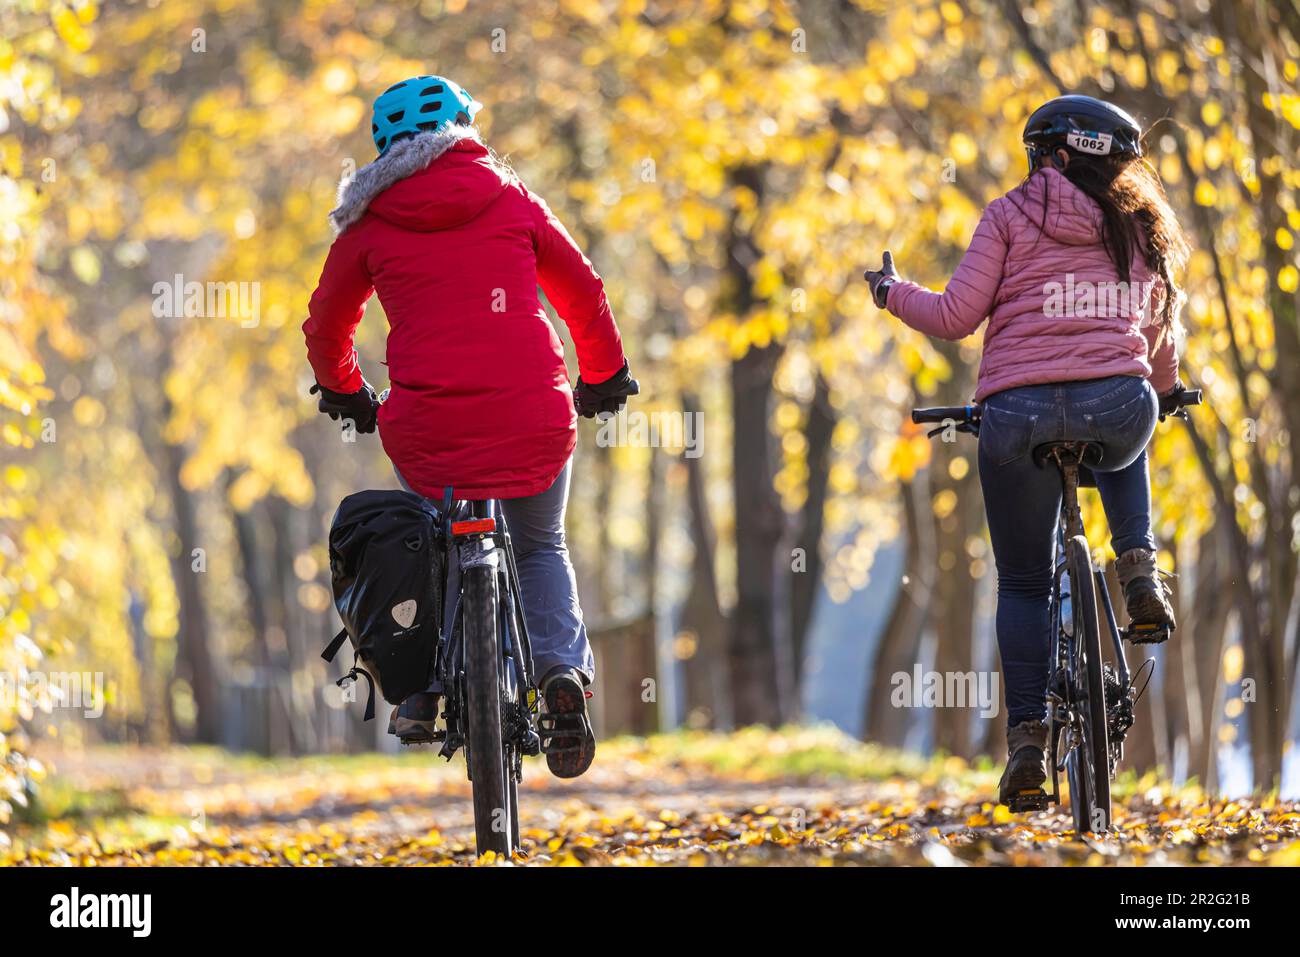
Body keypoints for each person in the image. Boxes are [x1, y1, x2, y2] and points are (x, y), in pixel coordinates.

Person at [303, 75, 638, 778]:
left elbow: (328, 320)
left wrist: (348, 393)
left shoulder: (370, 221)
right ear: (463, 128)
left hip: (429, 429)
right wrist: (602, 375)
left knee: (433, 543)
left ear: (384, 146)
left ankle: (423, 692)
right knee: (540, 544)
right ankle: (560, 677)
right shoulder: (511, 197)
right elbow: (583, 291)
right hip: (531, 415)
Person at [863, 95, 1190, 804]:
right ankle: (1138, 569)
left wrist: (890, 291)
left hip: (1016, 414)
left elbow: (954, 315)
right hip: (1115, 406)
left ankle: (1027, 744)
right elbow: (1160, 337)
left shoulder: (1009, 214)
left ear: (1054, 156)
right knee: (1134, 421)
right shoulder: (1140, 226)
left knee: (1022, 585)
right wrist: (1162, 391)